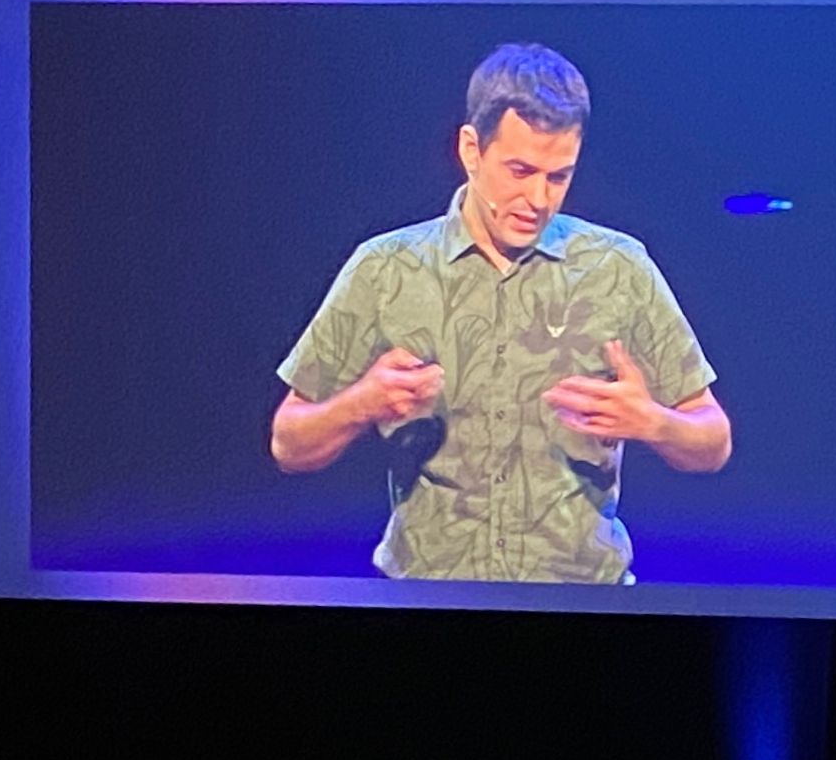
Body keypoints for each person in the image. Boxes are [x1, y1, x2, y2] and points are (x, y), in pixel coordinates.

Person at [270, 42, 734, 584]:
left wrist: (653, 422)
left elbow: (714, 440)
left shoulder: (618, 268)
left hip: (582, 603)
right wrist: (360, 402)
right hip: (427, 599)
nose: (537, 198)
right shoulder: (385, 270)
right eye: (519, 170)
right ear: (471, 149)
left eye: (558, 176)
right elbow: (288, 441)